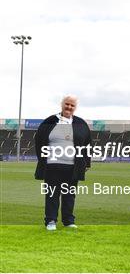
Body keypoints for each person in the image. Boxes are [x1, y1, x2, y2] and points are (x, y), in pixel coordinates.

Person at [34, 95, 91, 231]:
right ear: (62, 104)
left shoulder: (81, 123)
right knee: (52, 193)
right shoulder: (50, 121)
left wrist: (87, 163)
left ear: (75, 108)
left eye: (72, 105)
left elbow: (88, 144)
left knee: (69, 194)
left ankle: (68, 221)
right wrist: (42, 159)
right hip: (52, 165)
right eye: (67, 104)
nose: (69, 107)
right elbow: (39, 141)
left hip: (72, 166)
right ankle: (51, 221)